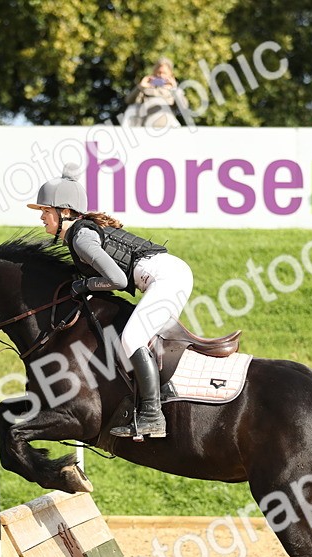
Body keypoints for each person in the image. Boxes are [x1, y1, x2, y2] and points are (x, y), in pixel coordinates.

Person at [27, 166, 194, 440]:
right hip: (167, 275)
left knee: (131, 338)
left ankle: (152, 415)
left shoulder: (81, 238)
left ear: (65, 212)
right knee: (138, 337)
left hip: (167, 278)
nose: (42, 218)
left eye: (46, 211)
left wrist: (85, 285)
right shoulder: (79, 236)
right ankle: (163, 391)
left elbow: (115, 279)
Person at [122, 58, 180, 129]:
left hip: (166, 126)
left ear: (170, 74)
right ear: (154, 72)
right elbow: (128, 101)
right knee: (131, 109)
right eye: (159, 72)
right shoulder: (146, 88)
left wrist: (174, 89)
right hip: (146, 125)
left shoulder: (174, 90)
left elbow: (184, 107)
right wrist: (140, 87)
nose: (161, 76)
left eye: (164, 73)